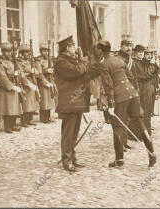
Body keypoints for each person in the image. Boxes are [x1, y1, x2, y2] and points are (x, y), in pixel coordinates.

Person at [97, 40, 156, 168]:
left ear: (101, 50)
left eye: (98, 50)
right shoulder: (119, 60)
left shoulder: (103, 64)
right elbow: (132, 78)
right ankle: (152, 153)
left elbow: (108, 85)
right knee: (140, 123)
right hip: (132, 94)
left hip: (120, 97)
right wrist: (135, 93)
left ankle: (119, 160)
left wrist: (111, 104)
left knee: (117, 127)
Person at [54, 35, 99, 172]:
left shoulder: (73, 61)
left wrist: (94, 70)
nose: (75, 48)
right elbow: (76, 71)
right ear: (67, 48)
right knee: (68, 132)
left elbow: (84, 75)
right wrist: (84, 63)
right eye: (73, 45)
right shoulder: (61, 62)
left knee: (74, 132)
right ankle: (66, 161)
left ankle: (72, 157)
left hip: (77, 102)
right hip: (69, 102)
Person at [0, 42, 23, 133]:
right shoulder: (0, 63)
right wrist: (11, 86)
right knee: (8, 107)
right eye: (6, 51)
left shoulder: (13, 61)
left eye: (10, 51)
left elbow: (19, 72)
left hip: (15, 84)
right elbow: (2, 76)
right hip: (6, 87)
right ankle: (7, 126)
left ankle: (13, 124)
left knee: (14, 106)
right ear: (2, 52)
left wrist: (18, 74)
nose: (9, 53)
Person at [17, 44, 40, 127]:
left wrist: (35, 72)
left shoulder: (28, 61)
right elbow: (21, 74)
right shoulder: (19, 62)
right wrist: (28, 83)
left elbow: (32, 72)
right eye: (26, 52)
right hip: (25, 83)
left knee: (31, 102)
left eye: (28, 52)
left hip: (31, 81)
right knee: (26, 103)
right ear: (21, 53)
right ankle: (24, 121)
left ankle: (29, 119)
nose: (27, 54)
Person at [35, 42, 56, 123]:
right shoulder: (38, 61)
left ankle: (48, 116)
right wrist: (47, 71)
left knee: (50, 100)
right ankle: (43, 118)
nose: (46, 52)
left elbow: (53, 69)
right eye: (44, 51)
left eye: (47, 51)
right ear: (41, 51)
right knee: (44, 100)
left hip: (50, 80)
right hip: (42, 82)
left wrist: (52, 72)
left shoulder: (49, 59)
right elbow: (39, 73)